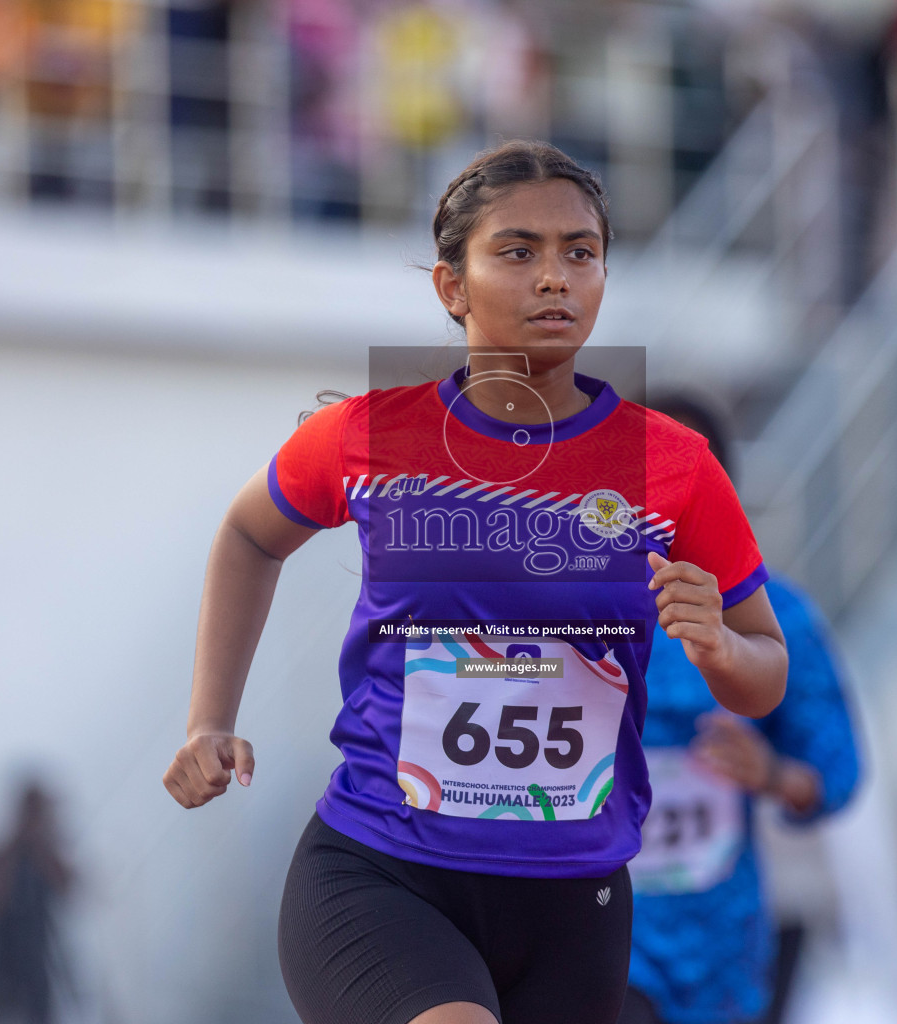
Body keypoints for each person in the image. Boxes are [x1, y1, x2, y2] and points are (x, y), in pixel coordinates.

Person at [161, 139, 790, 1024]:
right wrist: (209, 720)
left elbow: (767, 670)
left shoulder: (673, 465)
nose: (555, 278)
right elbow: (247, 535)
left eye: (581, 252)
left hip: (577, 904)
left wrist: (720, 646)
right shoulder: (371, 436)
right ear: (451, 287)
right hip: (383, 872)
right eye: (519, 251)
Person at [618, 399, 862, 1024]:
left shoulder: (779, 615)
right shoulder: (570, 606)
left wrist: (772, 775)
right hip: (596, 929)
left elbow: (836, 771)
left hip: (718, 945)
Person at [0, 780, 75, 1024]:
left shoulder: (45, 855)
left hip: (41, 967)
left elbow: (68, 886)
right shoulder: (3, 855)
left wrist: (40, 845)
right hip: (6, 969)